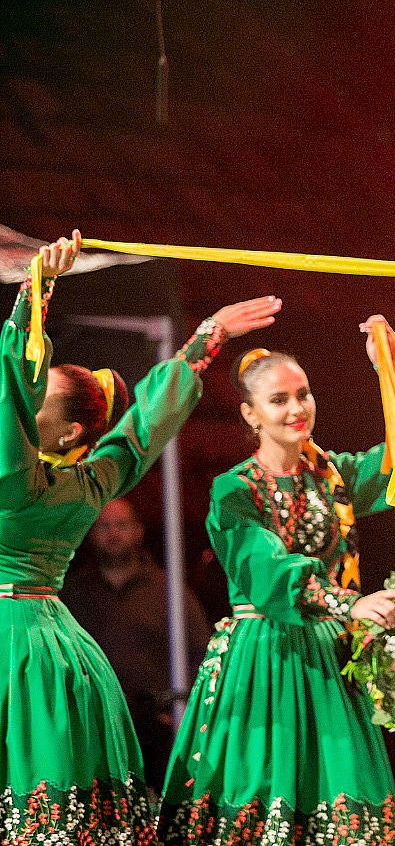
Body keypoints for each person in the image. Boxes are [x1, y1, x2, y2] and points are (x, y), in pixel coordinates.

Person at [0, 230, 279, 843]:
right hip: (53, 646)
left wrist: (36, 294)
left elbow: (9, 384)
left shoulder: (15, 478)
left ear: (69, 432)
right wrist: (209, 337)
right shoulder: (91, 481)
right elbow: (145, 427)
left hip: (15, 649)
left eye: (39, 395)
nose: (24, 400)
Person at [157, 326, 395, 846]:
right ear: (250, 414)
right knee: (262, 792)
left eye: (303, 394)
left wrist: (394, 370)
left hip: (327, 657)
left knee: (340, 799)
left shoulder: (332, 476)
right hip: (263, 656)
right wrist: (348, 603)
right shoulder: (234, 491)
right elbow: (267, 571)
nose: (297, 408)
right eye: (279, 400)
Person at [61, 496, 212, 797]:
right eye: (103, 526)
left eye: (121, 525)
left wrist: (186, 709)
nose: (113, 534)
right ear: (90, 532)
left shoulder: (168, 590)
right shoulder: (72, 593)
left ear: (138, 530)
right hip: (93, 725)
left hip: (157, 726)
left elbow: (200, 654)